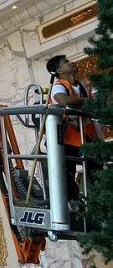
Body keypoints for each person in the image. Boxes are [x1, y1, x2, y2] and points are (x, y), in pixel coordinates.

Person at [45, 54, 101, 202]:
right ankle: (73, 202)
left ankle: (100, 204)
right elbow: (63, 100)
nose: (71, 62)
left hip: (89, 139)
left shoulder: (83, 84)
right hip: (70, 141)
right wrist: (88, 102)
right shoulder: (59, 86)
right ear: (59, 70)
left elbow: (98, 101)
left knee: (98, 174)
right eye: (66, 62)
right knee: (66, 173)